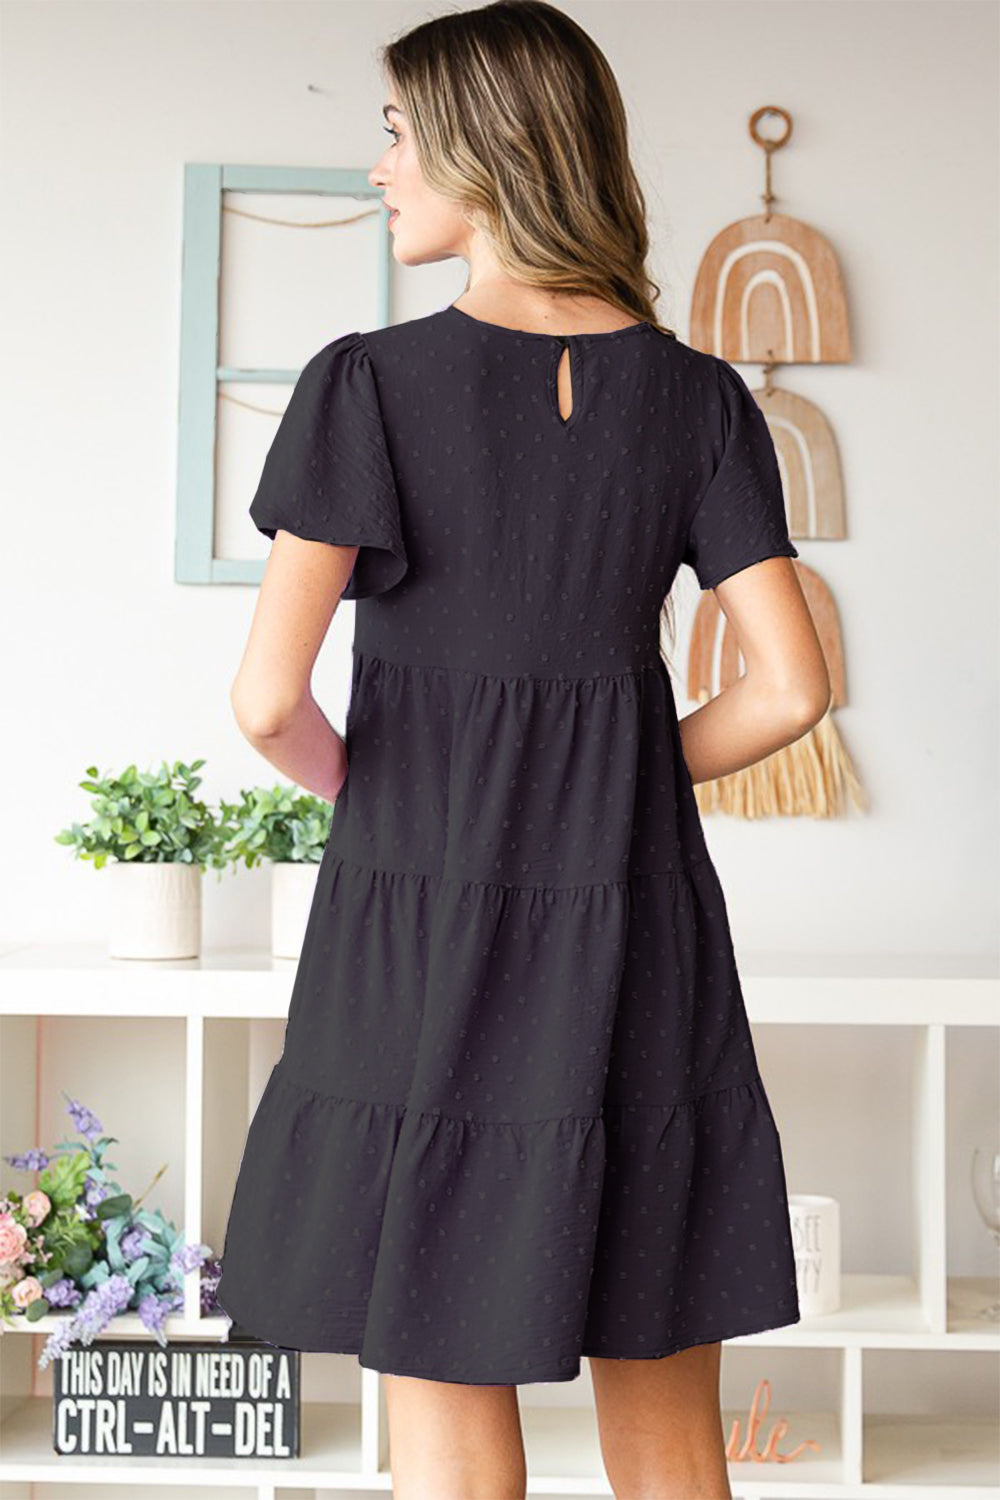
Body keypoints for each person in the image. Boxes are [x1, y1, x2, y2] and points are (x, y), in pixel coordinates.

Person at [215, 3, 831, 1497]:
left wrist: (393, 793)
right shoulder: (697, 397)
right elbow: (793, 690)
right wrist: (613, 779)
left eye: (398, 131)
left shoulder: (366, 382)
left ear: (488, 152)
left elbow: (264, 705)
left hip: (419, 922)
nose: (379, 166)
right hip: (639, 925)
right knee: (665, 1381)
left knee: (440, 1358)